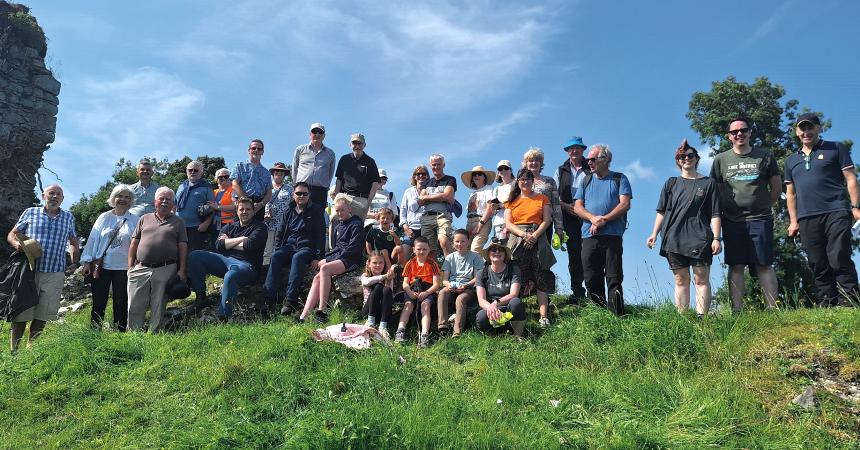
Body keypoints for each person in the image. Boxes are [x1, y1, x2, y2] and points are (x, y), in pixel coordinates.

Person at [785, 113, 860, 307]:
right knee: (817, 261)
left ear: (819, 128)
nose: (806, 132)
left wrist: (855, 206)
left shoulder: (836, 148)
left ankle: (849, 302)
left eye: (810, 127)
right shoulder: (791, 160)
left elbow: (851, 178)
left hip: (836, 210)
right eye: (802, 128)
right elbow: (790, 193)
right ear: (796, 132)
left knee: (838, 255)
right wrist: (793, 221)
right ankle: (827, 302)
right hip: (807, 216)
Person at [709, 116, 781, 312]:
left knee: (764, 264)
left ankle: (772, 309)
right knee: (736, 265)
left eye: (743, 130)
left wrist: (764, 205)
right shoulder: (720, 160)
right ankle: (737, 311)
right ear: (729, 136)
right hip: (732, 220)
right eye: (734, 132)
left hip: (760, 219)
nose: (739, 134)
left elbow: (776, 187)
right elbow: (716, 190)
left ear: (750, 132)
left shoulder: (765, 155)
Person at [646, 140, 722, 317]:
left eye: (690, 156)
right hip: (673, 237)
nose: (686, 158)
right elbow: (661, 212)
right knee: (681, 280)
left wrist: (717, 238)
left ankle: (701, 317)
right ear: (678, 161)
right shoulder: (671, 183)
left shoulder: (708, 183)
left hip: (700, 237)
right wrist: (654, 234)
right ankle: (684, 318)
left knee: (700, 278)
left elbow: (715, 213)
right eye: (682, 156)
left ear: (697, 159)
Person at [7, 184, 80, 352]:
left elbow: (73, 242)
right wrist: (17, 244)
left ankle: (32, 349)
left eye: (58, 194)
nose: (54, 196)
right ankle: (14, 352)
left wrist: (74, 262)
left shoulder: (68, 217)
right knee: (21, 311)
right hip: (29, 271)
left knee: (43, 313)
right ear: (43, 196)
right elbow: (12, 234)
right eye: (51, 193)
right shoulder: (30, 212)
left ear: (62, 198)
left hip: (55, 272)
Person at [573, 144, 632, 316]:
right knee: (591, 276)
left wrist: (604, 219)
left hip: (612, 235)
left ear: (606, 159)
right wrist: (593, 219)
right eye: (588, 159)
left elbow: (625, 204)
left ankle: (616, 316)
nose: (589, 162)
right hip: (588, 235)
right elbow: (577, 206)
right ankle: (598, 315)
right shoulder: (586, 180)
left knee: (613, 277)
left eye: (593, 159)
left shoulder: (620, 179)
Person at [187, 197, 267, 320]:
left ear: (253, 211)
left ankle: (223, 316)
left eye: (248, 209)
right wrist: (241, 239)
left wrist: (228, 242)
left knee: (230, 275)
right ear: (237, 210)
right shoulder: (229, 226)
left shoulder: (260, 227)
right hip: (225, 261)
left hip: (246, 265)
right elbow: (218, 245)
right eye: (241, 209)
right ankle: (201, 297)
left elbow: (250, 245)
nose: (244, 212)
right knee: (195, 255)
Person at [127, 187, 188, 332]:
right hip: (141, 267)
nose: (165, 202)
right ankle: (134, 335)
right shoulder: (144, 218)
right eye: (162, 198)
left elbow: (183, 247)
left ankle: (154, 335)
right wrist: (130, 267)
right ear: (155, 201)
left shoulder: (178, 221)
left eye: (169, 199)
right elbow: (134, 243)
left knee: (158, 303)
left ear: (173, 204)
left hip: (166, 267)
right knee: (134, 304)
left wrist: (182, 270)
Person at [80, 184, 139, 331]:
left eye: (127, 197)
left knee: (121, 303)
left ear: (131, 200)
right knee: (99, 302)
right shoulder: (104, 217)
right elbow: (93, 239)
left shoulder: (135, 220)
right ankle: (94, 333)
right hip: (102, 266)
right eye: (120, 196)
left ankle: (120, 334)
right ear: (114, 198)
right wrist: (87, 261)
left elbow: (140, 242)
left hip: (124, 267)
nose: (123, 199)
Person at [263, 182, 326, 315]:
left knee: (298, 258)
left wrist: (318, 258)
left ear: (309, 195)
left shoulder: (316, 210)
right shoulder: (288, 210)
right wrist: (278, 248)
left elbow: (321, 235)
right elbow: (280, 232)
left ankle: (290, 301)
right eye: (298, 193)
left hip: (307, 247)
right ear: (293, 195)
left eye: (305, 194)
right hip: (290, 246)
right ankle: (269, 299)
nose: (301, 196)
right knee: (276, 256)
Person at [504, 169, 556, 327]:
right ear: (517, 182)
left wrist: (534, 236)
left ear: (533, 181)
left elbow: (547, 221)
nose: (525, 182)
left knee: (541, 275)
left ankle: (543, 316)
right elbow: (508, 223)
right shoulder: (512, 201)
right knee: (517, 276)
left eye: (528, 179)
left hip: (538, 237)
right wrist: (524, 235)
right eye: (522, 179)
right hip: (517, 238)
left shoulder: (542, 198)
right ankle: (516, 314)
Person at [299, 197, 364, 323]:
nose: (340, 213)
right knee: (317, 278)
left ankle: (322, 311)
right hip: (340, 258)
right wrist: (327, 258)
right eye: (337, 210)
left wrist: (328, 260)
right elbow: (336, 248)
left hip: (351, 259)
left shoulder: (356, 225)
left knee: (325, 268)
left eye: (342, 210)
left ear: (349, 209)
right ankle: (304, 316)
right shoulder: (338, 227)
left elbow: (353, 249)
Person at [555, 136, 590, 303]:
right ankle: (577, 292)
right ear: (567, 151)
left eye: (577, 148)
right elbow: (554, 195)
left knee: (590, 254)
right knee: (574, 255)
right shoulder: (561, 170)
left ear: (583, 150)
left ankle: (594, 292)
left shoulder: (590, 167)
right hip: (568, 217)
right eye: (570, 149)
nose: (574, 151)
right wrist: (565, 206)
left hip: (589, 217)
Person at [393, 236, 442, 348]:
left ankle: (424, 335)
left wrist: (426, 293)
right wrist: (409, 292)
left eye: (424, 249)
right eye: (419, 249)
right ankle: (400, 330)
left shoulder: (432, 264)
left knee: (425, 305)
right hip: (412, 289)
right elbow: (405, 283)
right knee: (408, 305)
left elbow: (436, 284)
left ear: (429, 250)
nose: (421, 251)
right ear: (414, 249)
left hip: (427, 290)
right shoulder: (409, 264)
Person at [440, 229, 484, 337]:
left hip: (469, 287)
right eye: (457, 241)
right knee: (442, 293)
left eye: (463, 241)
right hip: (453, 286)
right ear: (453, 243)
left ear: (468, 242)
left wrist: (466, 285)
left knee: (461, 299)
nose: (460, 244)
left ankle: (457, 331)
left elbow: (478, 277)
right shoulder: (449, 258)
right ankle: (442, 327)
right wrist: (449, 285)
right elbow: (445, 279)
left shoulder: (476, 257)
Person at [476, 242, 525, 337]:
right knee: (481, 316)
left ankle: (518, 336)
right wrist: (491, 307)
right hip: (491, 311)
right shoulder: (481, 273)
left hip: (508, 310)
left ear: (505, 254)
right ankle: (494, 336)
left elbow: (513, 294)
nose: (497, 252)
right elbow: (481, 300)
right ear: (488, 254)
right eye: (494, 250)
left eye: (501, 250)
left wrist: (495, 303)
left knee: (516, 302)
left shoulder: (514, 270)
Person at [522, 147, 564, 245]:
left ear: (541, 163)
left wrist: (559, 228)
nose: (534, 163)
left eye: (537, 160)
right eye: (531, 160)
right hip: (525, 225)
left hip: (546, 224)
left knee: (543, 257)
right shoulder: (520, 181)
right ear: (526, 164)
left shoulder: (549, 181)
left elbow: (556, 205)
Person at [419, 154, 457, 258]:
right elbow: (420, 201)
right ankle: (433, 273)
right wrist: (440, 196)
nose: (436, 167)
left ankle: (451, 272)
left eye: (438, 164)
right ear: (430, 166)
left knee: (444, 242)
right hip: (427, 217)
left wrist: (427, 197)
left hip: (443, 215)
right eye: (434, 165)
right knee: (428, 249)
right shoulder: (426, 182)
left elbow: (447, 196)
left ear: (443, 165)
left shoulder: (450, 179)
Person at [293, 122, 336, 208]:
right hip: (301, 190)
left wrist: (325, 186)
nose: (317, 134)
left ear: (324, 136)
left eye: (320, 132)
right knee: (299, 217)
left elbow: (330, 173)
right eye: (314, 131)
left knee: (317, 218)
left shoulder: (330, 153)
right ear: (310, 134)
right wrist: (295, 187)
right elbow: (294, 169)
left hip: (320, 192)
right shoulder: (300, 150)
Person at [175, 160, 215, 251]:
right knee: (177, 253)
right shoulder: (181, 186)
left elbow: (212, 207)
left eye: (196, 170)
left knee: (192, 255)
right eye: (190, 170)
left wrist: (206, 223)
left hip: (196, 228)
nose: (193, 172)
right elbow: (174, 204)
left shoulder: (206, 187)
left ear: (201, 172)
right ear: (186, 171)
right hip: (179, 226)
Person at [231, 139, 273, 221]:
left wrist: (261, 204)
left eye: (259, 149)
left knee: (256, 232)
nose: (256, 150)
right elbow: (234, 184)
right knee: (238, 231)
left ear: (262, 152)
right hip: (242, 203)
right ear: (249, 151)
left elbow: (269, 192)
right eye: (254, 148)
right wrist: (247, 202)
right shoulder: (239, 166)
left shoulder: (266, 172)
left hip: (258, 207)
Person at [360, 251, 397, 338]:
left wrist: (388, 281)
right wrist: (384, 277)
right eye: (374, 263)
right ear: (369, 264)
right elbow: (367, 282)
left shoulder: (388, 277)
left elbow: (388, 296)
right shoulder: (365, 275)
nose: (378, 265)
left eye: (381, 263)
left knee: (387, 289)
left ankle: (383, 326)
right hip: (368, 311)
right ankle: (370, 322)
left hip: (382, 312)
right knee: (378, 286)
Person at [263, 162, 293, 266]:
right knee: (267, 248)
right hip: (268, 222)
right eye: (277, 172)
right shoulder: (266, 187)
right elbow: (262, 202)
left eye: (281, 173)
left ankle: (278, 268)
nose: (279, 174)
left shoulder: (289, 188)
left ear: (284, 175)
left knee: (279, 248)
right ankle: (265, 269)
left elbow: (293, 204)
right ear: (273, 174)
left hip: (283, 223)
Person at [462, 166, 496, 254]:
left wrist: (480, 224)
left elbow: (490, 208)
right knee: (465, 250)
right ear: (472, 178)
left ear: (484, 177)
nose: (477, 176)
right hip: (469, 222)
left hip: (483, 221)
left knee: (475, 250)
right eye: (474, 175)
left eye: (480, 174)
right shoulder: (472, 193)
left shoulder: (489, 188)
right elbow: (469, 211)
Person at [399, 165, 429, 259]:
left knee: (426, 258)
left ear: (427, 176)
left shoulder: (431, 190)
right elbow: (403, 211)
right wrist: (406, 228)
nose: (421, 176)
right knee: (403, 254)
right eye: (418, 174)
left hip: (427, 229)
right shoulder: (408, 192)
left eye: (423, 174)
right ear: (414, 177)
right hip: (411, 228)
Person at [482, 159, 515, 243]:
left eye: (506, 168)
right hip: (498, 222)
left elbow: (518, 203)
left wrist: (501, 205)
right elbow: (493, 209)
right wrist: (494, 206)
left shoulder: (517, 185)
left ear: (511, 170)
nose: (503, 171)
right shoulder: (496, 189)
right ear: (498, 172)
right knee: (500, 250)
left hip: (513, 221)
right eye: (500, 169)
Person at [208, 168, 236, 247]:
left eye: (226, 176)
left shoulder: (234, 190)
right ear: (216, 179)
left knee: (224, 247)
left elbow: (235, 207)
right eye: (220, 177)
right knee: (214, 247)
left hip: (228, 224)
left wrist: (218, 207)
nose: (223, 178)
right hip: (214, 224)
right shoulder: (213, 192)